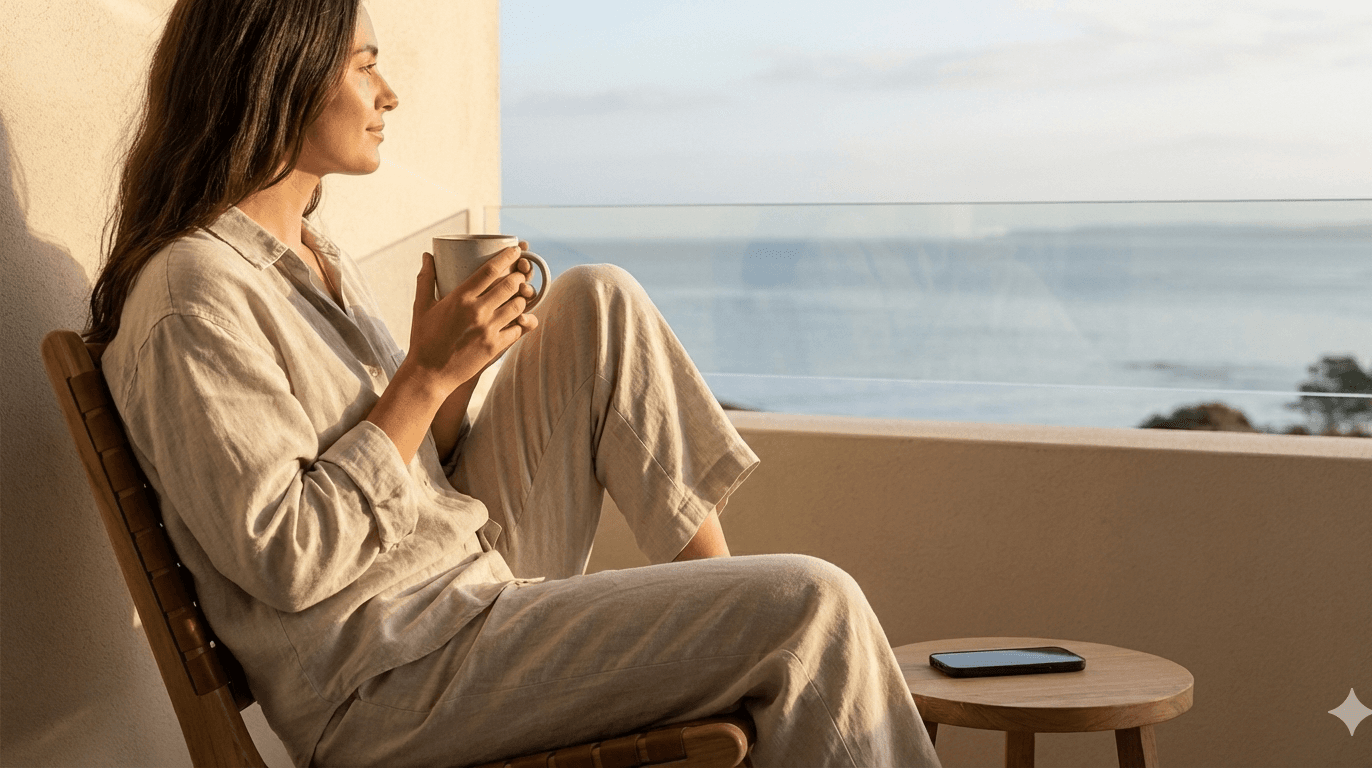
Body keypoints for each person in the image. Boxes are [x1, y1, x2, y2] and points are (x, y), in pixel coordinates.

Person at [86, 1, 943, 766]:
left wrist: (451, 382)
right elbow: (288, 556)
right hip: (389, 685)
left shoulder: (315, 262)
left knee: (593, 301)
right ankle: (739, 636)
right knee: (810, 606)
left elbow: (412, 483)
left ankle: (721, 616)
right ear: (280, 74)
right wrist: (423, 376)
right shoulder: (194, 296)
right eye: (363, 64)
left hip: (457, 598)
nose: (389, 94)